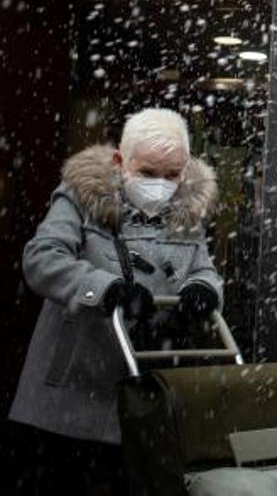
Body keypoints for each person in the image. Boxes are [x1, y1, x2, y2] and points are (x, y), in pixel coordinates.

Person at [8, 108, 222, 495]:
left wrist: (202, 293)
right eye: (147, 173)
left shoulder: (189, 209)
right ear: (121, 161)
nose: (160, 185)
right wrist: (107, 289)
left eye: (172, 175)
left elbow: (202, 268)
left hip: (145, 391)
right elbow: (42, 258)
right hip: (71, 390)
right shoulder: (81, 196)